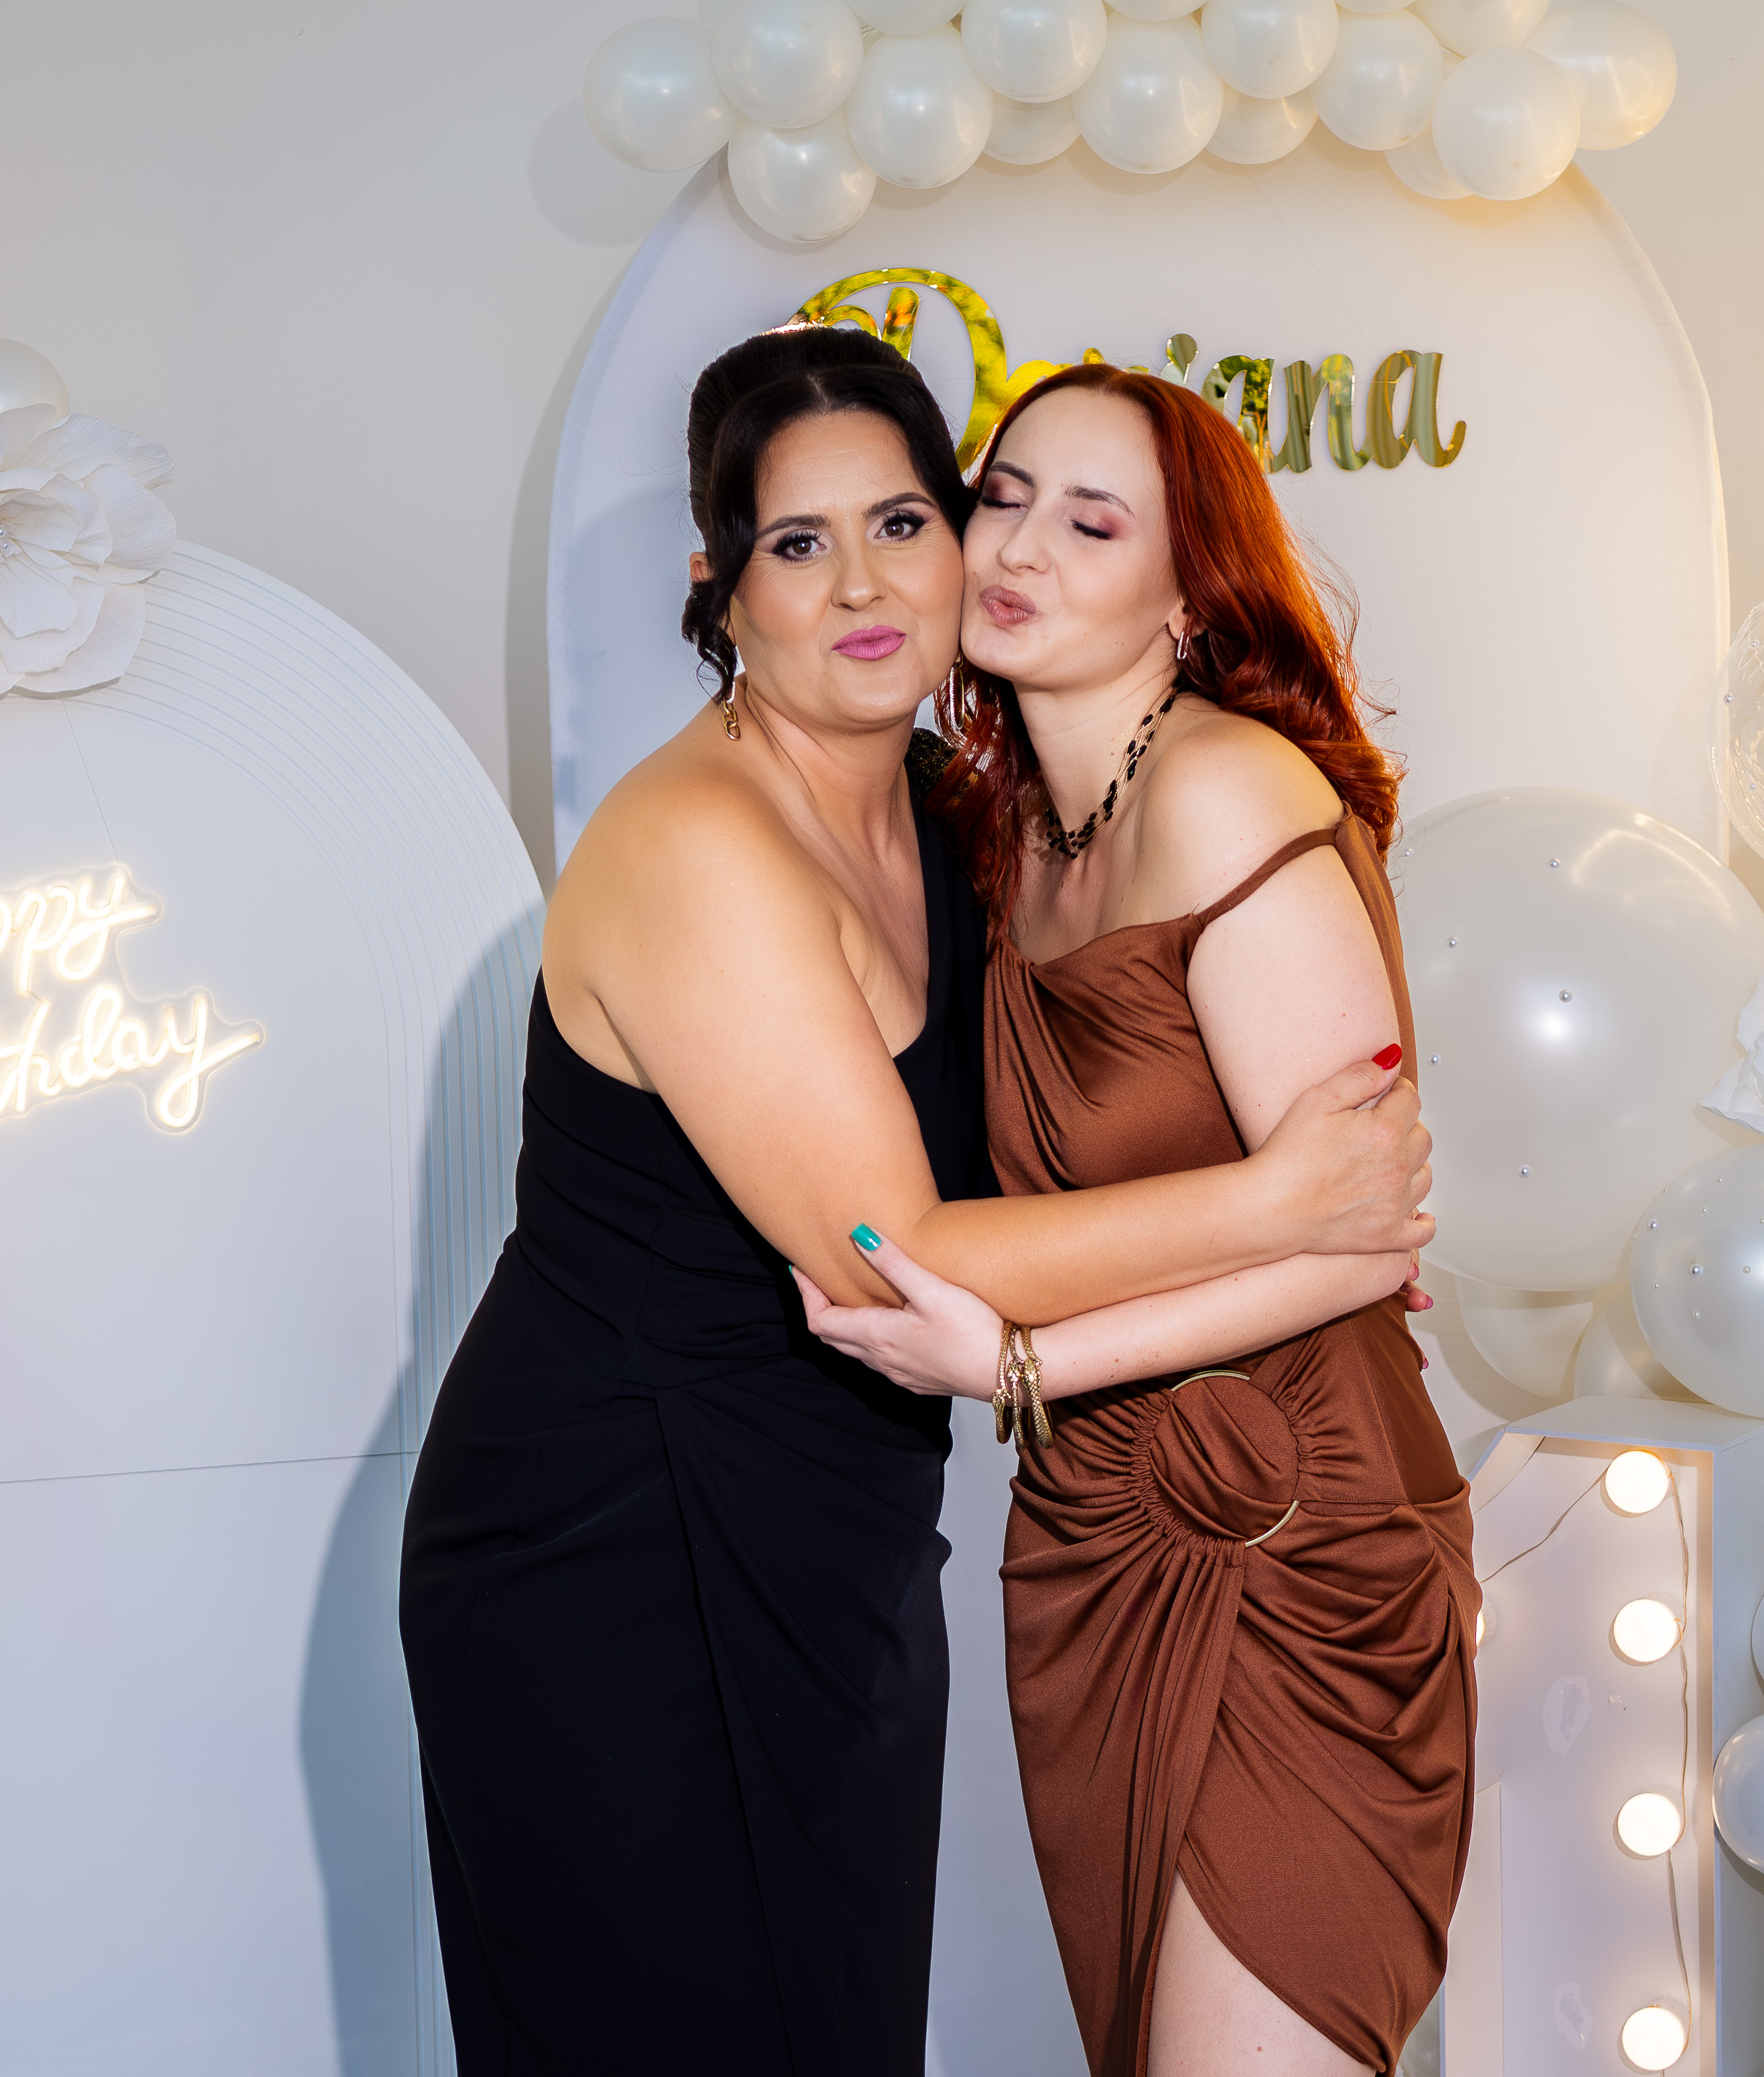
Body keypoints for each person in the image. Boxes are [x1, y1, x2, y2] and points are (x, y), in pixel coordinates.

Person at [398, 326, 1437, 2076]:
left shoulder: (968, 817)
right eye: (798, 544)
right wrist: (1287, 1205)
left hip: (844, 1528)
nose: (866, 585)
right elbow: (904, 1253)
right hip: (607, 1540)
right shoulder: (697, 844)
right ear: (720, 587)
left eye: (904, 522)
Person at [804, 364, 1478, 2077]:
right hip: (1092, 1547)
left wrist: (1019, 1364)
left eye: (1091, 523)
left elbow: (1366, 1239)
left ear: (1189, 598)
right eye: (1003, 496)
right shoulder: (1001, 833)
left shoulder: (1227, 791)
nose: (1019, 547)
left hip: (1299, 1538)